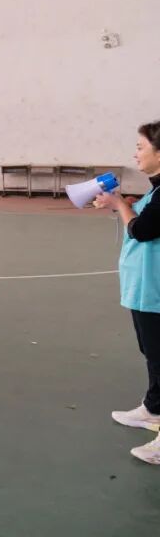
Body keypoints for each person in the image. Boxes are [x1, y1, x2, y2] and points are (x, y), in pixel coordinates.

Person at [98, 120, 160, 465]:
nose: (136, 154)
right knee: (153, 352)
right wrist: (126, 204)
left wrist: (119, 204)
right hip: (147, 290)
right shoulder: (156, 191)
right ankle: (154, 408)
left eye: (141, 147)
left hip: (156, 290)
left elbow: (143, 230)